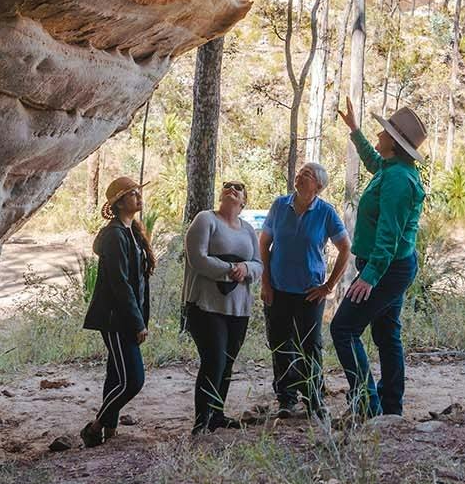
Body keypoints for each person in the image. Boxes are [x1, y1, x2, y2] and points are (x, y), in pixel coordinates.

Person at [329, 99, 427, 420]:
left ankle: (368, 406)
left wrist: (370, 276)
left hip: (386, 268)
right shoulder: (392, 169)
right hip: (390, 266)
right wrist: (355, 131)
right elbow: (374, 162)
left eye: (384, 132)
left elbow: (389, 234)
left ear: (396, 144)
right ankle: (390, 408)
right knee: (386, 334)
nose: (379, 134)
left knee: (343, 329)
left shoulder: (399, 180)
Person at [259, 160, 350, 418]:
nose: (299, 176)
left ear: (318, 186)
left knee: (310, 345)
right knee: (280, 343)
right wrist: (265, 281)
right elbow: (264, 243)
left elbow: (345, 248)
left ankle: (314, 397)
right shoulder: (279, 205)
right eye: (300, 172)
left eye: (307, 175)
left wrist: (329, 285)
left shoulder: (325, 212)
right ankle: (286, 398)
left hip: (310, 292)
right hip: (278, 289)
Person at [181, 178, 261, 434]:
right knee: (213, 360)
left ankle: (217, 413)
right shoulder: (206, 220)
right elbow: (197, 258)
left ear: (244, 200)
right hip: (205, 305)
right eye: (227, 185)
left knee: (227, 361)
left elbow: (259, 264)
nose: (232, 188)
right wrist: (230, 270)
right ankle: (201, 421)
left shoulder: (249, 230)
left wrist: (246, 268)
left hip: (238, 308)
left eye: (238, 187)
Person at [80, 175, 155, 447]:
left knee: (116, 375)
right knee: (133, 379)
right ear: (120, 202)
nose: (138, 196)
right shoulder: (114, 235)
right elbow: (120, 284)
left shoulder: (131, 231)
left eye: (138, 192)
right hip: (116, 320)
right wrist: (137, 323)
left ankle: (109, 432)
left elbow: (138, 282)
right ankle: (95, 426)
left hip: (126, 317)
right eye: (133, 193)